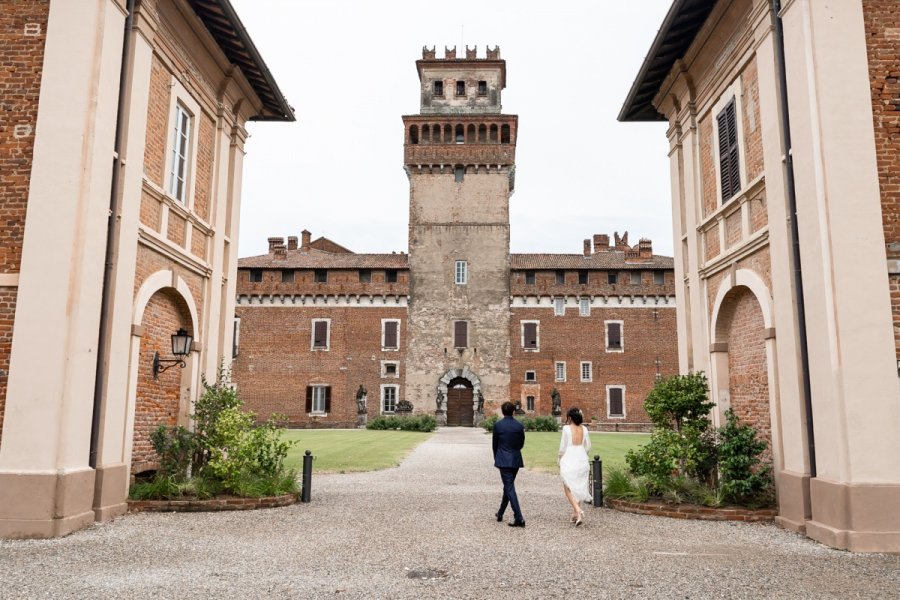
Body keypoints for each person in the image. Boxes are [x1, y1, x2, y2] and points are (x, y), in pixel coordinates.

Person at [493, 401, 526, 527]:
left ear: (502, 412)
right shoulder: (519, 425)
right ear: (513, 412)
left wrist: (497, 458)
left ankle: (519, 517)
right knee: (508, 486)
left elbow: (495, 444)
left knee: (509, 486)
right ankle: (500, 513)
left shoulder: (498, 425)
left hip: (503, 459)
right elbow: (521, 443)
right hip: (516, 459)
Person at [558, 406, 592, 526]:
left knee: (568, 487)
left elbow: (563, 447)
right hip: (581, 457)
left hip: (570, 457)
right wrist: (583, 454)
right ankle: (575, 514)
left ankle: (578, 510)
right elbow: (588, 447)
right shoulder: (585, 429)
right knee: (578, 485)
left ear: (570, 417)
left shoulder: (566, 429)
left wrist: (560, 458)